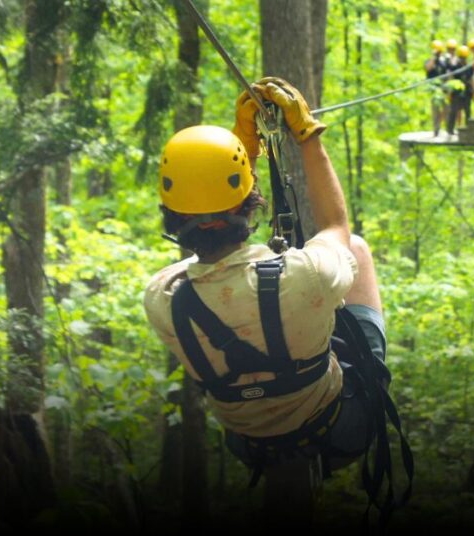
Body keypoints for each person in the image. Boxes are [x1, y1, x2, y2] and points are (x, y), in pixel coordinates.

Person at [144, 78, 390, 505]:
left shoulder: (162, 298)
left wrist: (245, 150)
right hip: (340, 428)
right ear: (248, 203)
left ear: (170, 217)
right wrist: (307, 136)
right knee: (359, 251)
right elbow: (337, 228)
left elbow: (208, 242)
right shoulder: (306, 275)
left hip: (250, 443)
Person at [446, 45, 473, 135]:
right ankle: (450, 130)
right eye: (461, 58)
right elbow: (451, 77)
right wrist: (450, 91)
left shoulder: (469, 67)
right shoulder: (455, 66)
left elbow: (471, 79)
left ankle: (469, 129)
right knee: (453, 111)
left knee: (468, 111)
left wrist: (473, 90)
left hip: (467, 92)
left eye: (464, 58)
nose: (463, 59)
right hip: (456, 92)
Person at [425, 40, 450, 136]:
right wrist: (433, 58)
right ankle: (436, 130)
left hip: (443, 89)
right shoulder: (429, 61)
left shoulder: (443, 62)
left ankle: (448, 129)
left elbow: (448, 74)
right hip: (434, 90)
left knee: (446, 109)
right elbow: (428, 68)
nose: (438, 54)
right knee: (435, 110)